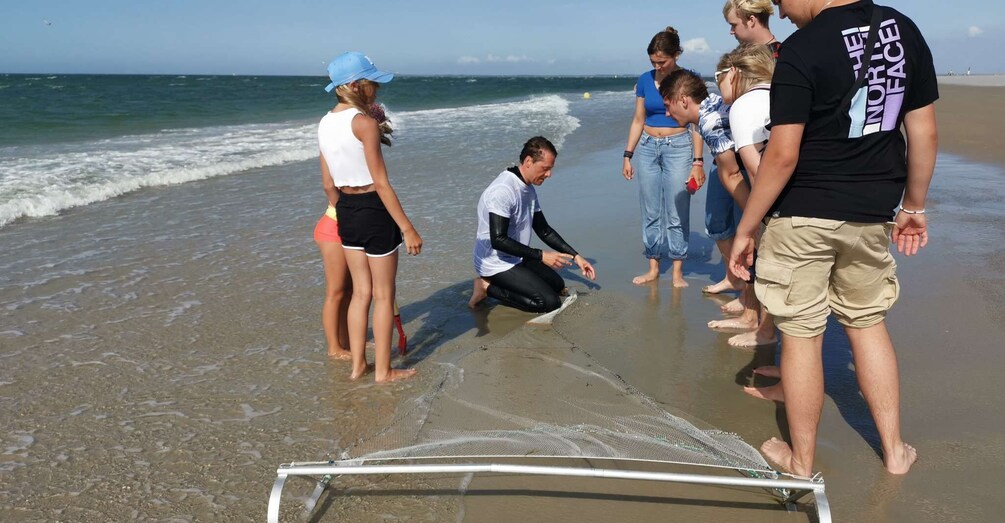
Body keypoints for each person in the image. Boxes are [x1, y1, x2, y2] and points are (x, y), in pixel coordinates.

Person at [729, 0, 938, 477]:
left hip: (803, 213)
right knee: (867, 323)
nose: (781, 12)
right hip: (871, 211)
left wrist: (747, 228)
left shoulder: (802, 48)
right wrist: (914, 207)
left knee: (802, 335)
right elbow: (923, 128)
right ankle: (895, 451)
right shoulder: (901, 30)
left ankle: (800, 462)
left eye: (781, 1)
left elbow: (782, 155)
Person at [319, 51, 422, 383]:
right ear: (355, 85)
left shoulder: (323, 123)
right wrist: (407, 229)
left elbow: (327, 183)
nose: (376, 89)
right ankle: (384, 371)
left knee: (359, 293)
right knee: (383, 295)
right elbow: (381, 183)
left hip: (345, 211)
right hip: (374, 211)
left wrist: (344, 211)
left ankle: (357, 367)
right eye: (372, 83)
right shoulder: (364, 123)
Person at [469, 137, 596, 312]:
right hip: (494, 262)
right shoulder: (502, 191)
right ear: (529, 161)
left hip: (515, 255)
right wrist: (541, 255)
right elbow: (498, 240)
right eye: (545, 168)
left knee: (557, 285)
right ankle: (486, 287)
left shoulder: (528, 188)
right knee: (549, 303)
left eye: (550, 169)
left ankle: (503, 282)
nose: (549, 174)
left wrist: (576, 256)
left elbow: (544, 230)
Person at [709, 45, 779, 353]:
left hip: (783, 206)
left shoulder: (744, 106)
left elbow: (756, 173)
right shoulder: (782, 95)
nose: (716, 84)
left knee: (776, 274)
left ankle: (766, 331)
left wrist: (751, 227)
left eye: (719, 76)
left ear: (735, 73)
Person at [623, 26, 705, 287]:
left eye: (662, 61)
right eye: (653, 62)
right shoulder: (645, 80)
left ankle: (678, 270)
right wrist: (628, 154)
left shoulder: (688, 80)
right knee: (650, 208)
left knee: (677, 208)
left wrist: (698, 162)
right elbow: (638, 119)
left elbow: (697, 123)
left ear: (677, 54)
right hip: (647, 146)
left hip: (679, 146)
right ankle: (653, 266)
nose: (657, 66)